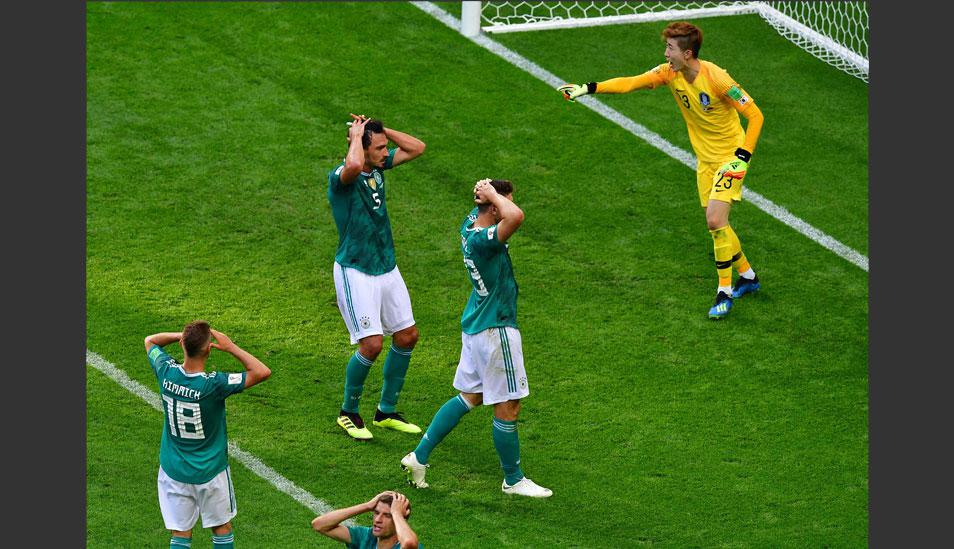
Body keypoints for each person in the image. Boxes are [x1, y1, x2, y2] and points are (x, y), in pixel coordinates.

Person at [558, 21, 765, 319]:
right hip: (705, 160)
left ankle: (724, 291)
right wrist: (590, 88)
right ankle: (748, 277)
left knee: (715, 219)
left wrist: (742, 157)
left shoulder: (718, 80)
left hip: (731, 159)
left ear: (688, 53)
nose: (665, 53)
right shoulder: (670, 73)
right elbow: (631, 82)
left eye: (670, 48)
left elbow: (755, 115)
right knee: (718, 226)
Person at [400, 178, 552, 498]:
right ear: (494, 207)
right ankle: (513, 479)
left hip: (475, 324)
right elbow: (517, 217)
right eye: (504, 201)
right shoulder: (486, 240)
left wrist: (488, 193)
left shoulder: (469, 225)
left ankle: (419, 456)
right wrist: (496, 195)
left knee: (471, 396)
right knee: (508, 405)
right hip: (496, 328)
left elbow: (496, 211)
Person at [328, 113, 427, 440]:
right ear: (362, 148)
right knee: (371, 345)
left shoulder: (378, 167)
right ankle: (348, 412)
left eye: (386, 147)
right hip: (355, 270)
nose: (387, 152)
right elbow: (353, 167)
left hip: (386, 265)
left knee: (407, 336)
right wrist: (356, 138)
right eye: (380, 148)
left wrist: (382, 131)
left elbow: (417, 148)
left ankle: (386, 411)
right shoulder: (342, 176)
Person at [144, 321, 272, 549]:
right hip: (211, 472)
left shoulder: (166, 371)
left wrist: (181, 336)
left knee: (180, 533)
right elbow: (262, 372)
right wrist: (231, 347)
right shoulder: (215, 384)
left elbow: (150, 341)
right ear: (209, 349)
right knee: (221, 528)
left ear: (182, 344)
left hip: (174, 471)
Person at [311, 491, 420, 549]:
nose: (378, 520)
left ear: (400, 520)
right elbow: (319, 525)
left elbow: (409, 543)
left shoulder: (406, 546)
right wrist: (367, 506)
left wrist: (396, 512)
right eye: (376, 512)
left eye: (387, 515)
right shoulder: (365, 537)